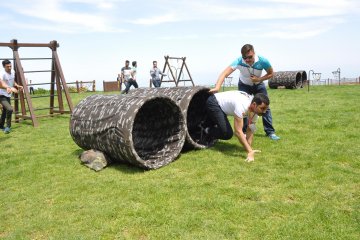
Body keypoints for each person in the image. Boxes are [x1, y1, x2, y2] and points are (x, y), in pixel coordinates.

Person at [210, 44, 280, 140]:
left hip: (258, 84)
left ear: (254, 53)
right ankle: (244, 131)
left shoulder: (263, 61)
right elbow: (224, 73)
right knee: (245, 108)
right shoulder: (238, 61)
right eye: (245, 58)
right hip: (244, 85)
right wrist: (217, 87)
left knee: (265, 107)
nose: (247, 60)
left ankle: (270, 132)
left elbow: (271, 73)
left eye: (250, 57)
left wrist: (259, 79)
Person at [203, 91, 269, 162]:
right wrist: (249, 151)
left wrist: (249, 148)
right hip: (214, 102)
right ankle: (206, 130)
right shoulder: (242, 105)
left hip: (223, 107)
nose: (264, 111)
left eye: (265, 109)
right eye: (262, 108)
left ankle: (209, 126)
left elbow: (251, 129)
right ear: (254, 104)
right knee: (227, 133)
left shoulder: (255, 112)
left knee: (227, 131)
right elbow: (238, 131)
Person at [0, 59, 22, 134]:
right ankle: (8, 127)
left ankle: (0, 126)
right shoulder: (1, 74)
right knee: (9, 109)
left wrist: (17, 85)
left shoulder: (13, 71)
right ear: (3, 67)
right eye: (7, 67)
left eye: (10, 66)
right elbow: (1, 85)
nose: (9, 68)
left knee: (5, 110)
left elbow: (12, 81)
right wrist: (8, 88)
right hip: (1, 94)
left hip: (8, 94)